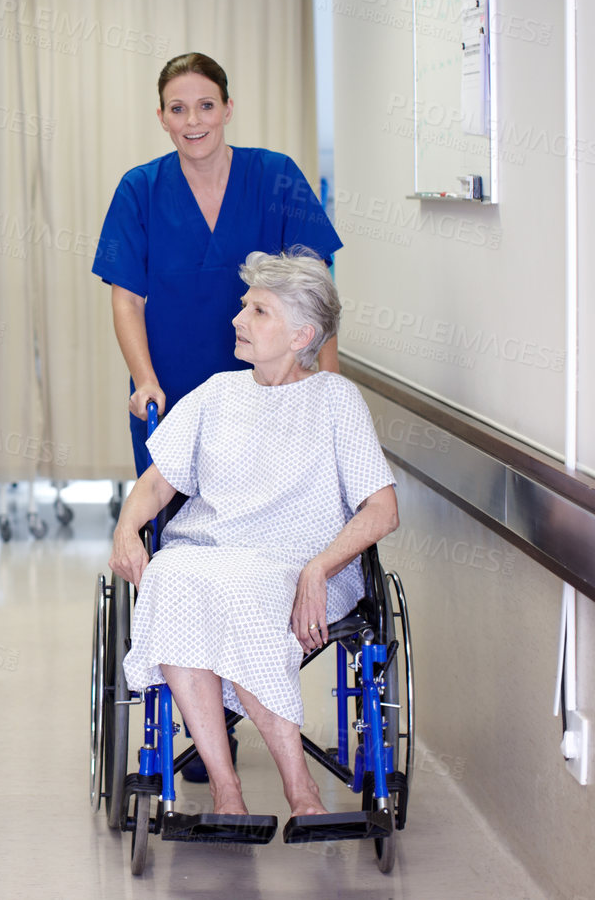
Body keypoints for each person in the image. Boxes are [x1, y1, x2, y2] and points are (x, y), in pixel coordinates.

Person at [93, 52, 343, 779]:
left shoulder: (275, 178)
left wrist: (324, 375)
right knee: (189, 553)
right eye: (178, 108)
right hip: (178, 400)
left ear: (228, 108)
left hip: (270, 394)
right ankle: (212, 728)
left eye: (206, 105)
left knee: (260, 540)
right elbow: (125, 296)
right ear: (161, 115)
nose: (193, 121)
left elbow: (315, 286)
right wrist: (143, 377)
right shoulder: (141, 190)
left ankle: (237, 702)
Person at [107, 249, 399, 820]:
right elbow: (156, 485)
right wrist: (125, 527)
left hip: (302, 570)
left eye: (258, 311)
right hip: (209, 560)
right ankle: (226, 791)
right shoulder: (218, 393)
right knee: (171, 576)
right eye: (245, 307)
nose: (237, 320)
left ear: (301, 334)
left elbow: (382, 510)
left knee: (229, 591)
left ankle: (301, 790)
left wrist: (319, 566)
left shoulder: (336, 400)